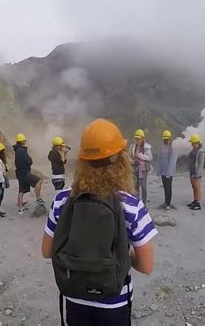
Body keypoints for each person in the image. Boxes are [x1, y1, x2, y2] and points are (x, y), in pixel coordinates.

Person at [41, 119, 157, 326]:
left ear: (82, 160)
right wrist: (118, 254)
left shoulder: (62, 200)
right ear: (119, 159)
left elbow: (47, 251)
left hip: (74, 295)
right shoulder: (130, 205)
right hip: (114, 300)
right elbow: (146, 266)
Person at [13, 133, 46, 216]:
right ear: (22, 141)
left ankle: (20, 209)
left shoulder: (17, 150)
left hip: (20, 173)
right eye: (25, 140)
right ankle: (38, 199)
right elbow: (29, 161)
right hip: (25, 172)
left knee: (21, 190)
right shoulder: (22, 151)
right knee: (39, 181)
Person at [129, 129, 153, 205]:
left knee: (143, 187)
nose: (137, 140)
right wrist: (131, 161)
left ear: (142, 138)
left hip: (143, 169)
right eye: (136, 138)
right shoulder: (132, 146)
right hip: (135, 168)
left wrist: (140, 155)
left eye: (139, 138)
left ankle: (144, 203)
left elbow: (150, 157)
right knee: (136, 187)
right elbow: (129, 156)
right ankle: (137, 202)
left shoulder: (147, 147)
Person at [157, 130, 178, 211]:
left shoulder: (173, 149)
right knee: (165, 187)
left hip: (169, 173)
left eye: (167, 139)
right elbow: (159, 160)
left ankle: (168, 204)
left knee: (168, 187)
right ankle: (165, 202)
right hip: (163, 172)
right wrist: (158, 170)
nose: (165, 141)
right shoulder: (161, 148)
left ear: (170, 139)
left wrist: (168, 173)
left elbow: (172, 161)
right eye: (164, 139)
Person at [187, 134, 204, 210]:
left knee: (197, 187)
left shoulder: (201, 152)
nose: (192, 144)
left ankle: (198, 203)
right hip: (192, 171)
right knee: (194, 187)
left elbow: (200, 163)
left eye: (193, 143)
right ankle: (195, 200)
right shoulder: (193, 151)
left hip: (197, 172)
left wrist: (198, 173)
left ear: (197, 143)